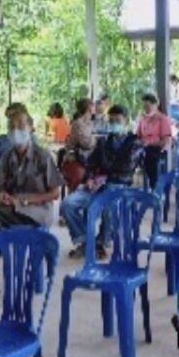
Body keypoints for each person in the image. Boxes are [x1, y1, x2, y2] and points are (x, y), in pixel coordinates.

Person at [0, 109, 63, 296]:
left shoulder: (42, 156)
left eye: (20, 126)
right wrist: (1, 195)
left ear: (31, 128)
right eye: (11, 127)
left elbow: (55, 193)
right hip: (11, 210)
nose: (16, 131)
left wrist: (25, 200)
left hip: (37, 211)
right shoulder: (7, 156)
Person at [61, 105, 140, 258]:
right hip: (98, 186)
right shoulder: (103, 142)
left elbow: (125, 168)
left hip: (118, 187)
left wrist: (104, 175)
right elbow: (92, 164)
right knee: (67, 204)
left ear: (126, 121)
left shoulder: (134, 143)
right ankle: (86, 242)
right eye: (111, 121)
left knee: (109, 204)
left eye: (117, 121)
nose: (114, 124)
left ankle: (102, 242)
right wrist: (90, 178)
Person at [136, 93, 173, 190]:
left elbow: (166, 140)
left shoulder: (162, 119)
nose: (145, 109)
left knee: (150, 156)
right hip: (143, 147)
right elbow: (137, 135)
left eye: (148, 106)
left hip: (157, 148)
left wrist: (149, 143)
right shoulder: (142, 119)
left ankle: (154, 187)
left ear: (155, 105)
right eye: (144, 107)